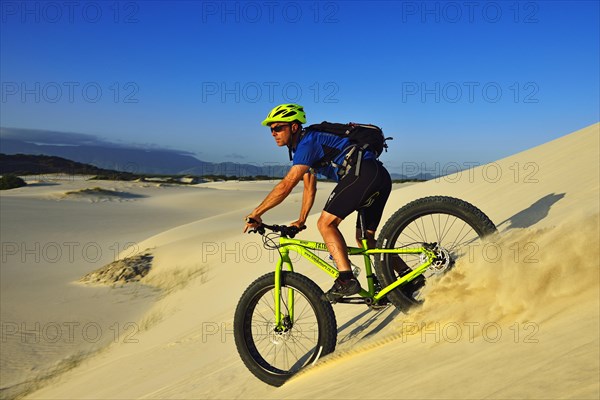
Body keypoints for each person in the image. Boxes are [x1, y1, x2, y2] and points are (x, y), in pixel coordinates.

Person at [243, 103, 392, 301]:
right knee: (366, 240)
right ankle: (407, 280)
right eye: (271, 129)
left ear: (294, 127)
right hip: (378, 175)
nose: (273, 133)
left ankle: (347, 280)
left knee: (325, 223)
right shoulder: (306, 148)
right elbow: (308, 187)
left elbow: (287, 185)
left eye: (278, 127)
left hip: (362, 174)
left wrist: (257, 212)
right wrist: (301, 220)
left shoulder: (308, 143)